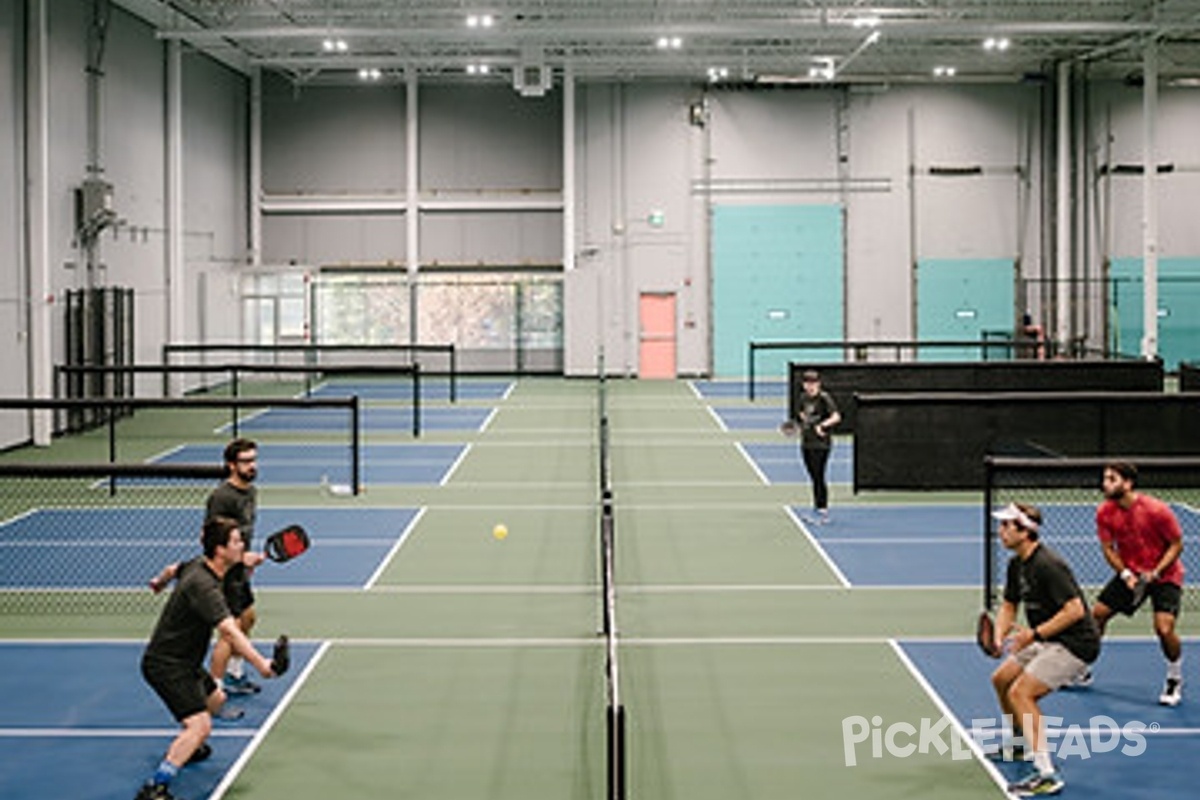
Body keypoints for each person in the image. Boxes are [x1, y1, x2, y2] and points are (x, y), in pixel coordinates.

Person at [137, 517, 282, 800]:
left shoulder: (198, 564)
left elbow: (172, 569)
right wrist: (261, 663)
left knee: (217, 700)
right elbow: (229, 630)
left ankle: (188, 746)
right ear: (220, 549)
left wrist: (159, 582)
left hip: (186, 662)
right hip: (167, 665)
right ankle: (156, 786)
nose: (243, 544)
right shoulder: (205, 587)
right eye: (237, 542)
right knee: (201, 725)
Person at [989, 502, 1100, 797]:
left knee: (1021, 693)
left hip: (1075, 644)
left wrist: (1034, 634)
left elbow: (1075, 610)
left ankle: (1047, 774)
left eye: (1006, 525)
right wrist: (999, 637)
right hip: (1045, 639)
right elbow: (1010, 605)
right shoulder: (1017, 564)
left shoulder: (1048, 565)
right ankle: (1017, 746)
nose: (1000, 531)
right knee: (1001, 680)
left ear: (1024, 532)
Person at [1083, 461, 1185, 705]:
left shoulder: (1156, 510)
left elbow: (1176, 544)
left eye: (1111, 479)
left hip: (1166, 575)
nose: (1104, 484)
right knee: (1097, 615)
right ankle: (1082, 668)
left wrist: (1157, 571)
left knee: (1164, 629)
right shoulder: (1104, 512)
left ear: (1127, 484)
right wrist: (1126, 574)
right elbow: (1108, 548)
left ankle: (1174, 678)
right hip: (1132, 573)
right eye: (1105, 478)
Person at [205, 438, 265, 696]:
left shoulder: (250, 491)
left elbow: (242, 533)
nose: (252, 465)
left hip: (239, 569)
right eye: (246, 461)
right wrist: (240, 559)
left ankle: (235, 673)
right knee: (231, 633)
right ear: (231, 465)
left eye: (254, 459)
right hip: (225, 572)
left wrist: (245, 560)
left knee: (248, 618)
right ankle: (214, 692)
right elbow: (210, 540)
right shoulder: (222, 497)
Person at [790, 369, 841, 523]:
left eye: (813, 383)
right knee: (813, 476)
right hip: (806, 442)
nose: (810, 386)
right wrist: (797, 426)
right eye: (807, 383)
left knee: (819, 476)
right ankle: (817, 508)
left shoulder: (824, 398)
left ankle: (822, 510)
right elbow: (801, 416)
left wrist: (822, 426)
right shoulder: (803, 398)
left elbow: (836, 416)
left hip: (821, 444)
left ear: (818, 384)